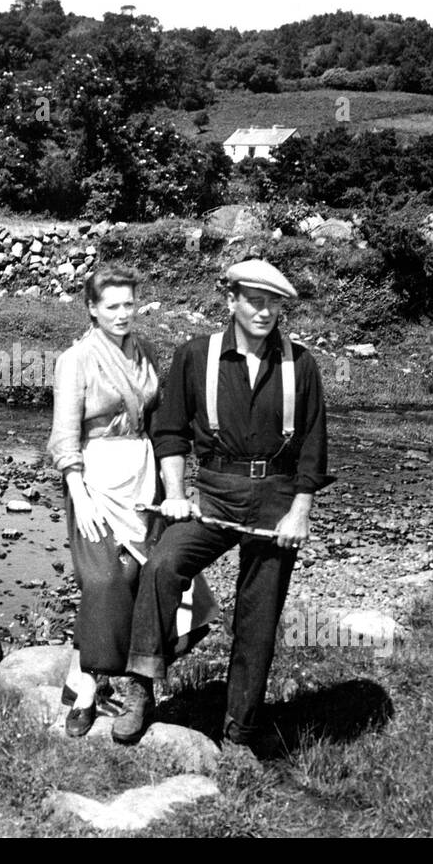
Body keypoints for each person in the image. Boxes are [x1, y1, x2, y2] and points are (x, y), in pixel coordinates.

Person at [118, 257, 336, 748]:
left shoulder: (301, 364)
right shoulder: (197, 355)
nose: (263, 312)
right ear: (232, 301)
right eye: (254, 301)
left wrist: (299, 512)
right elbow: (170, 432)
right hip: (213, 496)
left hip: (276, 502)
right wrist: (174, 496)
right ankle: (141, 687)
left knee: (257, 621)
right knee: (162, 566)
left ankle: (240, 734)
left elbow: (313, 449)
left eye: (273, 304)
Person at [46, 262, 161, 737]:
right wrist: (80, 494)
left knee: (138, 576)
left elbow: (158, 418)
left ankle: (83, 680)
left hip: (141, 475)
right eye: (111, 306)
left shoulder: (145, 352)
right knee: (103, 580)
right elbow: (63, 436)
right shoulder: (76, 358)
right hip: (94, 478)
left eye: (128, 304)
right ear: (92, 309)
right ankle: (92, 686)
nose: (122, 314)